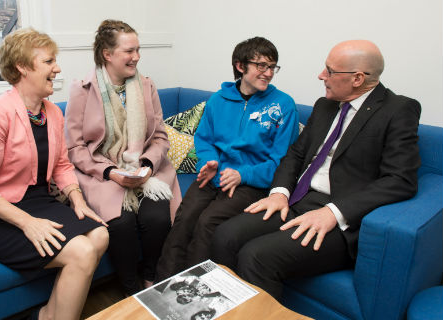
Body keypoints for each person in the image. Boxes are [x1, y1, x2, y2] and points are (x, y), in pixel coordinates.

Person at [212, 40, 421, 299]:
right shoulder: (325, 106)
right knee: (225, 235)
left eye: (330, 71)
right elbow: (296, 154)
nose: (321, 76)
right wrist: (279, 192)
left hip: (339, 218)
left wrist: (334, 212)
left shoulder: (398, 110)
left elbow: (400, 179)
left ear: (357, 78)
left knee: (256, 256)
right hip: (297, 200)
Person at [0, 28, 109, 320]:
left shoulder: (52, 112)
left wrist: (77, 200)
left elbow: (62, 166)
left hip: (38, 201)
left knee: (101, 235)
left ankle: (46, 317)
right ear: (22, 67)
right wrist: (28, 224)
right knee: (81, 251)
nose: (57, 68)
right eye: (48, 61)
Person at [155, 36, 299, 281]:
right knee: (184, 219)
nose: (268, 73)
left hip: (252, 182)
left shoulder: (283, 106)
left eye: (272, 67)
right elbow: (204, 139)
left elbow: (284, 161)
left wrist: (243, 174)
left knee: (208, 223)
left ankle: (191, 290)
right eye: (261, 66)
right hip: (214, 174)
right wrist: (208, 163)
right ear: (240, 66)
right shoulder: (218, 100)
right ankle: (161, 286)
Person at [64, 19, 181, 295]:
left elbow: (161, 138)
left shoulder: (147, 86)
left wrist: (148, 166)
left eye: (138, 50)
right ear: (108, 54)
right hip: (102, 174)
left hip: (145, 171)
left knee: (158, 219)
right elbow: (75, 148)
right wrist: (111, 173)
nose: (136, 57)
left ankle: (151, 278)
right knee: (121, 223)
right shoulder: (82, 91)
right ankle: (130, 290)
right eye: (129, 51)